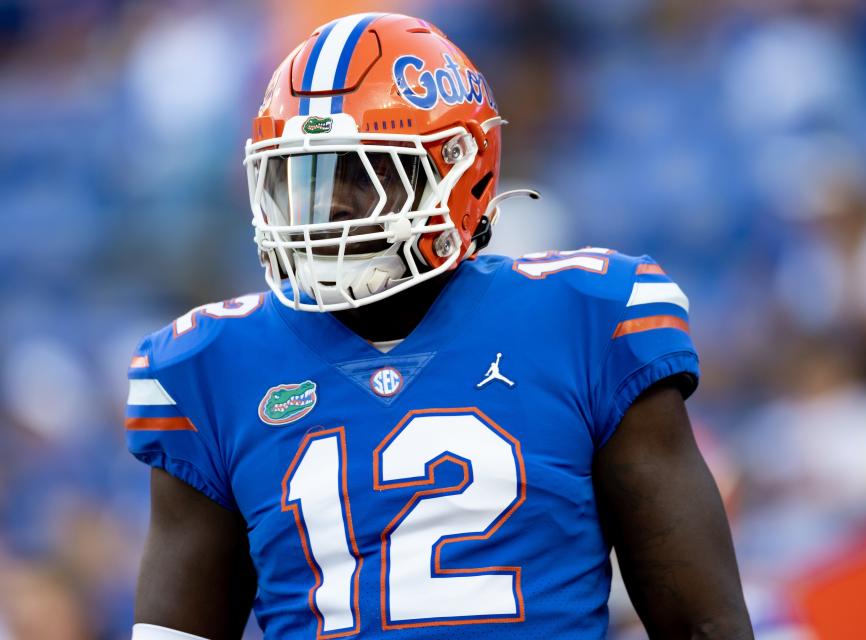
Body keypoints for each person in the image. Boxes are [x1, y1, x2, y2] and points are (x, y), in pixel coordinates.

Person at [125, 12, 753, 640]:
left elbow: (703, 622)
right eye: (302, 176)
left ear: (459, 168)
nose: (327, 206)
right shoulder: (209, 366)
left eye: (361, 173)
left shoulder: (588, 319)